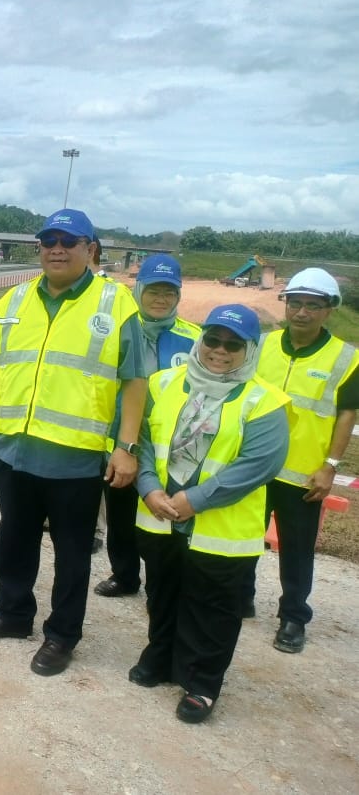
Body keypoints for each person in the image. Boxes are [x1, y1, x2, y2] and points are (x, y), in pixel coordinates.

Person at [0, 208, 148, 677]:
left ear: (90, 249)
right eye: (48, 241)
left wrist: (126, 446)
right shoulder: (15, 300)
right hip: (14, 451)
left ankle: (62, 635)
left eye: (68, 241)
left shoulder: (116, 304)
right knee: (14, 538)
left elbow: (135, 381)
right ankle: (13, 613)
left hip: (76, 459)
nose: (56, 249)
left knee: (73, 552)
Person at [130, 305, 289, 724]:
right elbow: (144, 440)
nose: (221, 350)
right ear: (201, 341)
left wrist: (195, 500)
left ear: (249, 350)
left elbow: (258, 465)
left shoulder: (264, 401)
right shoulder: (165, 383)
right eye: (213, 340)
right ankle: (160, 658)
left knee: (213, 609)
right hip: (162, 515)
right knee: (162, 594)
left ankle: (201, 685)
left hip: (220, 529)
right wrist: (148, 487)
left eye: (233, 344)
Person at [245, 268, 358, 652]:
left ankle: (293, 617)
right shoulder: (260, 345)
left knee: (295, 551)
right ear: (286, 305)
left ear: (329, 311)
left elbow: (346, 415)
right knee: (241, 538)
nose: (302, 312)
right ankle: (240, 597)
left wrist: (330, 466)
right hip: (254, 466)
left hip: (303, 475)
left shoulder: (346, 358)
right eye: (296, 303)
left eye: (313, 305)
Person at [95, 254, 200, 598]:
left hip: (171, 445)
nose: (160, 299)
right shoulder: (120, 330)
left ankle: (166, 581)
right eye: (153, 290)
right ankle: (124, 575)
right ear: (138, 290)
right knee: (121, 511)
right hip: (122, 438)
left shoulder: (195, 339)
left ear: (178, 296)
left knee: (165, 514)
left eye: (169, 293)